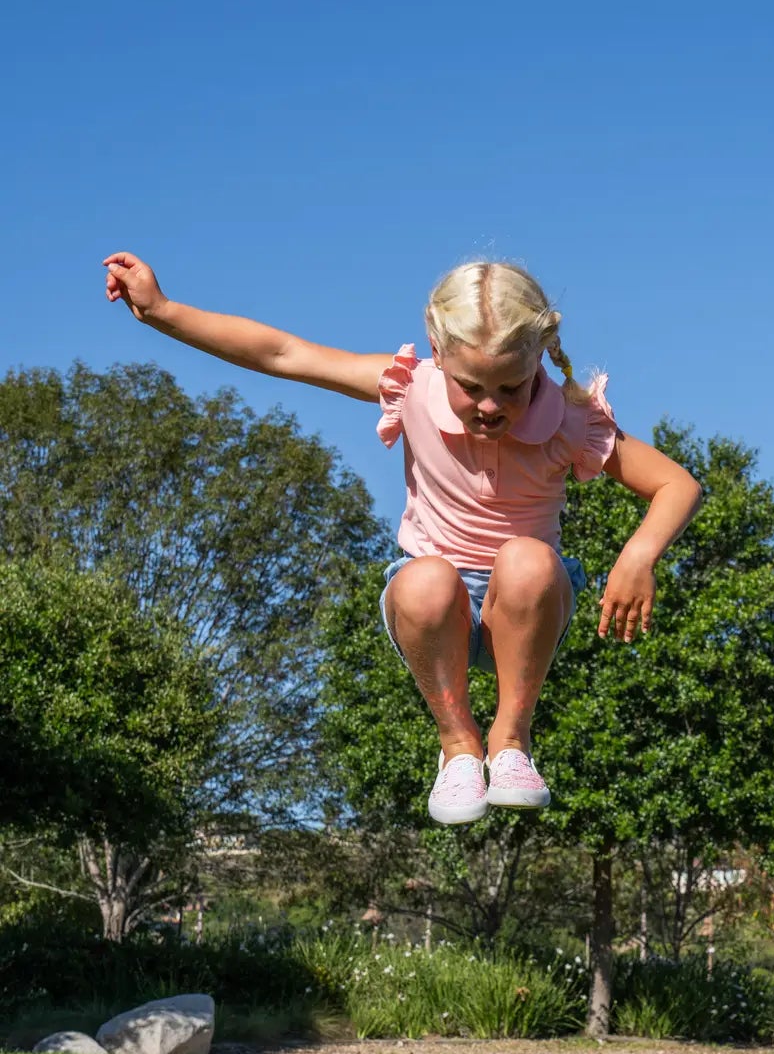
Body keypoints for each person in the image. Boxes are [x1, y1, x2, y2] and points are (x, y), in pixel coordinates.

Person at [102, 251, 702, 824]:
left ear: (541, 357)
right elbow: (284, 353)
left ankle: (511, 739)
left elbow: (677, 484)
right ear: (437, 352)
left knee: (527, 559)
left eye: (511, 388)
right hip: (431, 616)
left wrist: (640, 553)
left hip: (524, 609)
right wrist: (162, 310)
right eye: (472, 386)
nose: (490, 406)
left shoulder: (569, 419)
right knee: (425, 577)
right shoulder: (411, 387)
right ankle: (458, 744)